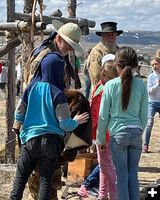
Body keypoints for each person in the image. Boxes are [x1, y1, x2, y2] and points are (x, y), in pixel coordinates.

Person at [10, 22, 89, 200]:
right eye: (68, 45)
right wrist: (76, 121)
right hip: (51, 141)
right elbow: (64, 123)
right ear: (59, 38)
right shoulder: (57, 92)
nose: (69, 49)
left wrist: (25, 127)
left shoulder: (31, 87)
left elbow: (19, 112)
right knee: (45, 181)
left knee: (20, 179)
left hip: (30, 139)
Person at [97, 47, 148, 200]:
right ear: (134, 65)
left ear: (117, 65)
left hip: (118, 135)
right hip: (136, 132)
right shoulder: (141, 85)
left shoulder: (110, 86)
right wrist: (139, 130)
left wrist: (100, 139)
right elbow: (144, 115)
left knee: (122, 176)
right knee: (133, 174)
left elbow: (103, 116)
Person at [78, 54, 118, 200]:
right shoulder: (105, 89)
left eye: (105, 74)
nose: (102, 75)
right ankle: (113, 193)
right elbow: (97, 113)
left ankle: (102, 193)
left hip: (102, 132)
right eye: (102, 72)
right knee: (106, 166)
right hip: (103, 133)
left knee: (104, 165)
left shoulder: (100, 87)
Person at [88, 21, 123, 88]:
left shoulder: (118, 51)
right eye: (107, 35)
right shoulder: (97, 52)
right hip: (101, 91)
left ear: (116, 36)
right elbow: (96, 76)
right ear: (102, 36)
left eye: (112, 35)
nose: (110, 37)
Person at [143, 56, 160, 153]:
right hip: (152, 102)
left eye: (156, 64)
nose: (154, 66)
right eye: (152, 65)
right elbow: (149, 91)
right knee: (149, 123)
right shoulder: (151, 77)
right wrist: (157, 84)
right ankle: (146, 145)